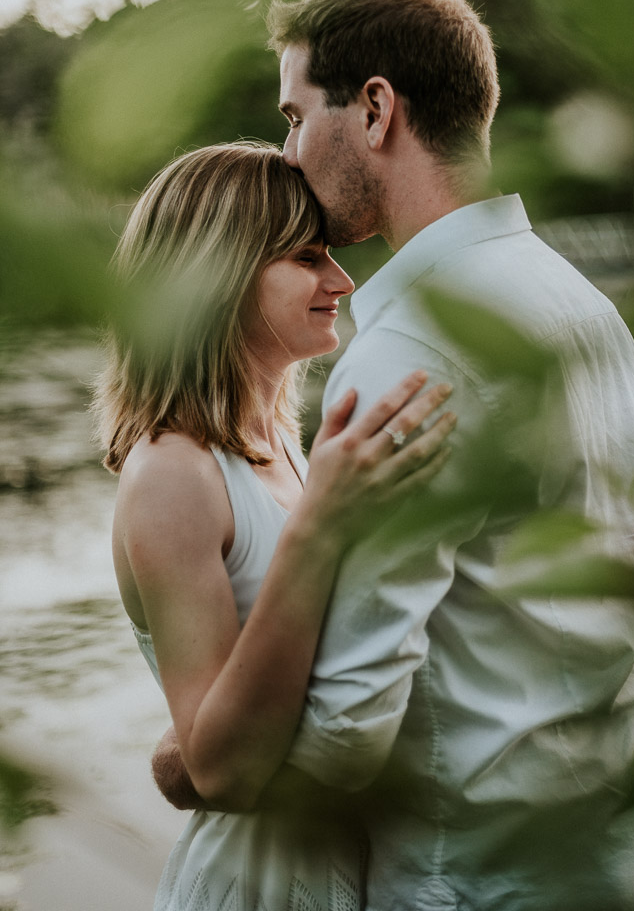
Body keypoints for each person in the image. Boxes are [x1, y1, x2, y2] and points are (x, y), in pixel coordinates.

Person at [157, 0, 634, 909]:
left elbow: (345, 732)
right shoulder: (578, 302)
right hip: (628, 846)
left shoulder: (410, 349)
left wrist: (192, 767)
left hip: (479, 874)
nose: (289, 153)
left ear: (374, 109)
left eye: (294, 116)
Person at [96, 141, 457, 911]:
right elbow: (223, 770)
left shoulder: (285, 446)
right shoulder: (173, 472)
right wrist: (322, 527)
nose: (342, 280)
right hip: (258, 885)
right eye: (304, 257)